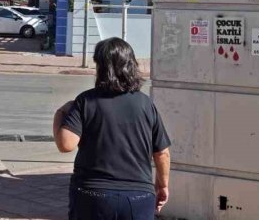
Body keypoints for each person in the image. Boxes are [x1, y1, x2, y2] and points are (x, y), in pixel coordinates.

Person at [53, 37, 171, 220]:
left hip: (92, 195)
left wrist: (61, 113)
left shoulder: (86, 101)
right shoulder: (146, 104)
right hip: (138, 196)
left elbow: (66, 144)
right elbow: (162, 153)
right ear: (131, 65)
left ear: (101, 67)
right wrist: (162, 186)